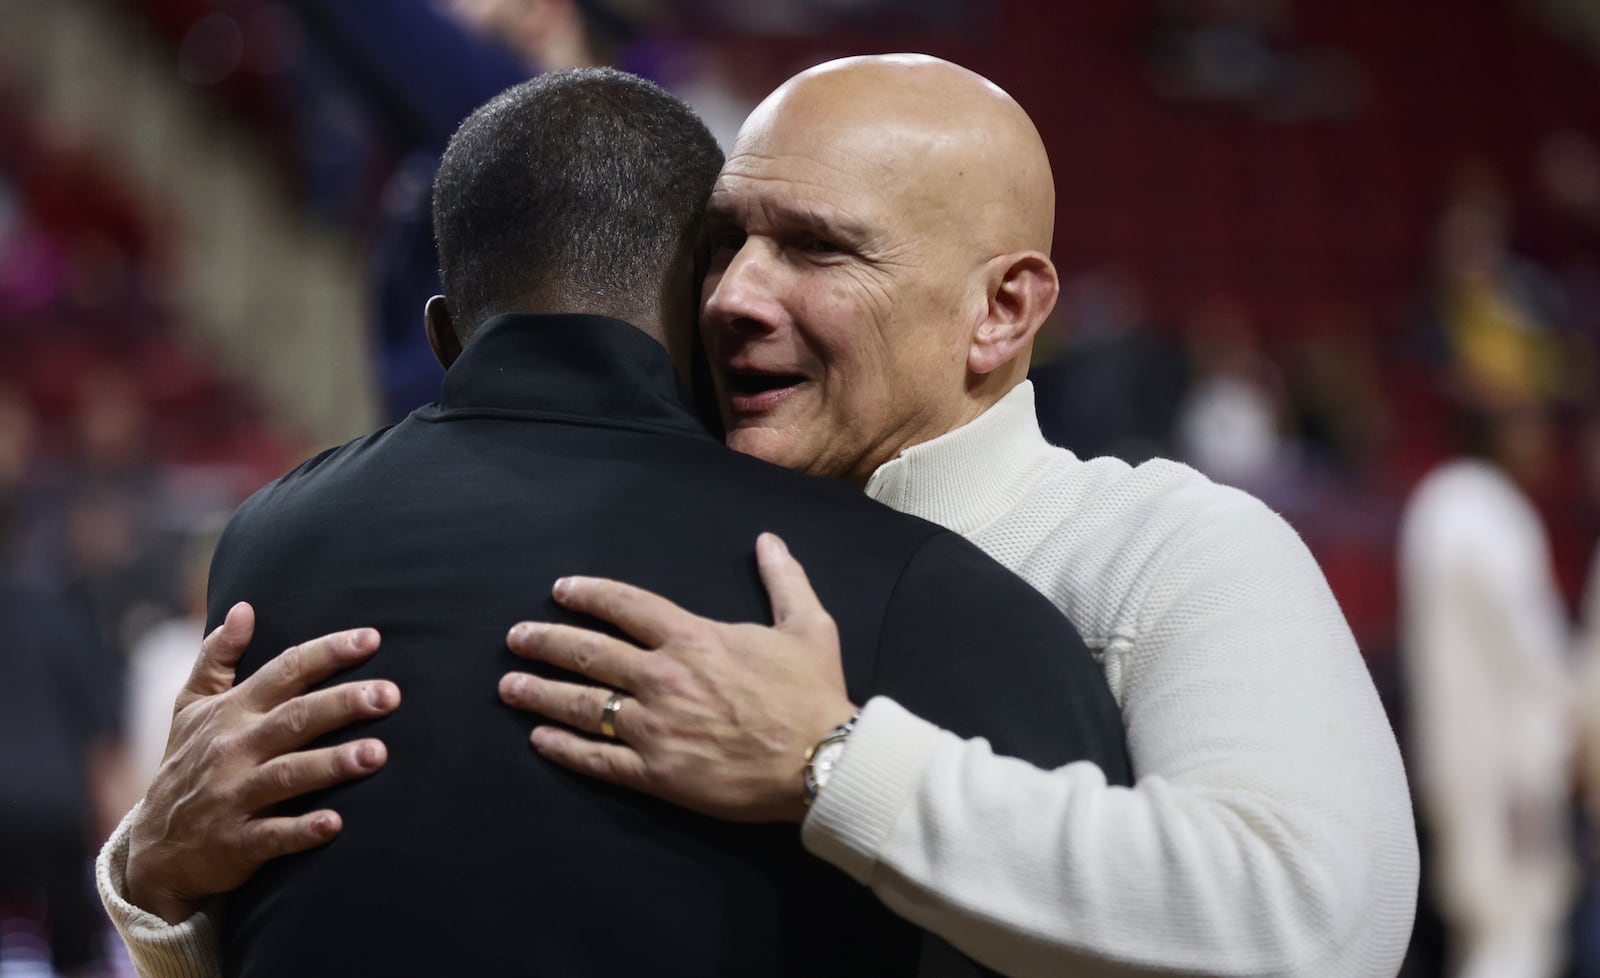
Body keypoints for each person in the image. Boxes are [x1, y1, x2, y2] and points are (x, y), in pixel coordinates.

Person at [103, 54, 1417, 978]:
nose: (732, 294)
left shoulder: (1173, 548)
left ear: (1002, 309)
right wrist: (159, 889)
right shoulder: (640, 539)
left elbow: (1319, 930)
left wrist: (832, 764)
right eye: (724, 242)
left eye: (817, 250)